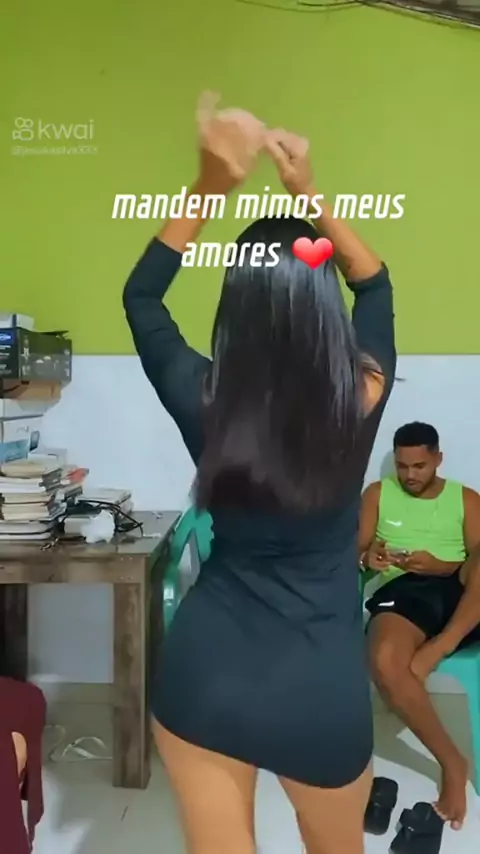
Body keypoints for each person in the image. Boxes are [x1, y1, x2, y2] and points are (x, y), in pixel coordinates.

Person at [123, 92, 396, 854]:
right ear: (323, 304)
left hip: (206, 674)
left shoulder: (203, 397)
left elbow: (141, 295)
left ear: (235, 305)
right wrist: (307, 191)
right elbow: (375, 283)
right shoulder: (363, 393)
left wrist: (211, 183)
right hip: (319, 694)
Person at [359, 421, 480, 830]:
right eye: (402, 466)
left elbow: (476, 558)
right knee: (384, 658)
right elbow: (357, 549)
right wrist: (369, 557)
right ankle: (453, 763)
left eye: (419, 466)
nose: (409, 475)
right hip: (406, 590)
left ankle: (443, 644)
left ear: (438, 459)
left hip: (462, 591)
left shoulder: (465, 498)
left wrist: (443, 564)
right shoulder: (378, 494)